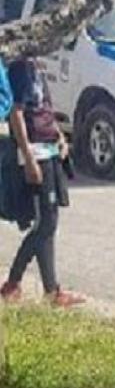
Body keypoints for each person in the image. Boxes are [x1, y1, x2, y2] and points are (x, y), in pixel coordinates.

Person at [0, 56, 83, 308]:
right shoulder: (19, 70)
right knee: (44, 223)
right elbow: (16, 113)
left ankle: (51, 290)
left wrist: (60, 136)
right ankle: (12, 283)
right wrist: (28, 157)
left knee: (50, 222)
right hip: (35, 152)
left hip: (50, 150)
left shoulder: (36, 67)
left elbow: (45, 109)